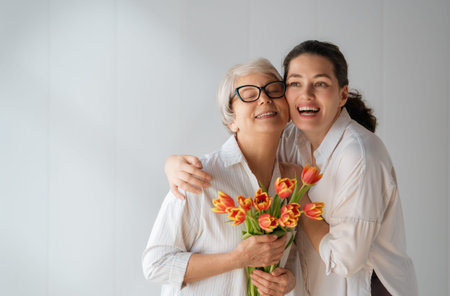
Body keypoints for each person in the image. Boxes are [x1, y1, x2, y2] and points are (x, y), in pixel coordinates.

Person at [164, 40, 418, 296]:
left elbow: (344, 260)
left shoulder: (360, 154)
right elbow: (242, 149)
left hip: (367, 288)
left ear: (342, 94)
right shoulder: (288, 140)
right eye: (295, 83)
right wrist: (172, 164)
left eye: (320, 83)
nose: (306, 94)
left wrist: (301, 197)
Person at [142, 58, 304, 296]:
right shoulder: (198, 177)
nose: (264, 98)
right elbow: (155, 265)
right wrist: (237, 258)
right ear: (231, 120)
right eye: (248, 94)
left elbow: (290, 254)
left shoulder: (291, 183)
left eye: (274, 90)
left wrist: (288, 280)